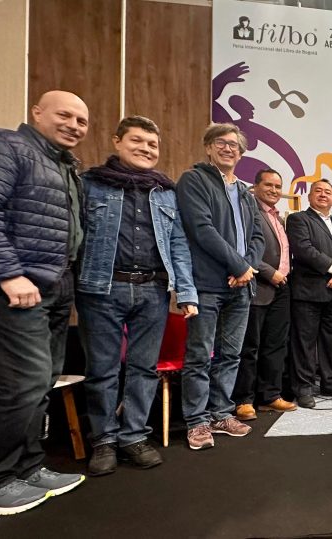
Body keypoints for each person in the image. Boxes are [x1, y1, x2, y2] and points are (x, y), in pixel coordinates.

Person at [0, 90, 89, 514]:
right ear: (36, 112)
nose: (74, 125)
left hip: (55, 286)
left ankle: (27, 467)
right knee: (22, 382)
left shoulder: (64, 166)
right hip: (15, 286)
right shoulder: (0, 144)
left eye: (82, 121)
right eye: (65, 115)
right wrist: (9, 273)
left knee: (42, 383)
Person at [77, 116, 198, 476]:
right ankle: (103, 441)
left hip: (152, 290)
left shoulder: (166, 192)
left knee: (144, 369)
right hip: (102, 289)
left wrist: (186, 291)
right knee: (102, 370)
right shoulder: (90, 185)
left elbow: (178, 244)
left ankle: (134, 437)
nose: (145, 149)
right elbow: (75, 238)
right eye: (137, 141)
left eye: (152, 144)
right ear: (117, 141)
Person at [176, 123, 265, 450]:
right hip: (208, 285)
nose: (228, 148)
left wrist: (247, 269)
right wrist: (239, 266)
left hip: (241, 287)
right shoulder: (193, 180)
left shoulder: (245, 192)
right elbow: (201, 229)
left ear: (241, 154)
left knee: (230, 355)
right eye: (221, 143)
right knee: (200, 356)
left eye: (234, 145)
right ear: (208, 147)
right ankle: (197, 420)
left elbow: (258, 235)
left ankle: (220, 413)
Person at [232, 169, 298, 421]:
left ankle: (270, 396)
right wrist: (270, 273)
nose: (274, 190)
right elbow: (244, 249)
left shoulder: (277, 217)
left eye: (278, 186)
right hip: (257, 287)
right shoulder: (248, 212)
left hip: (281, 289)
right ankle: (244, 400)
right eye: (268, 185)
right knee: (250, 347)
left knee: (276, 346)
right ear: (255, 186)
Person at [287, 179, 332, 409]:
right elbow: (304, 250)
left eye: (328, 191)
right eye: (318, 191)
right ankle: (304, 388)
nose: (323, 194)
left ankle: (330, 382)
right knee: (304, 343)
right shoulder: (298, 219)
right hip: (308, 292)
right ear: (310, 196)